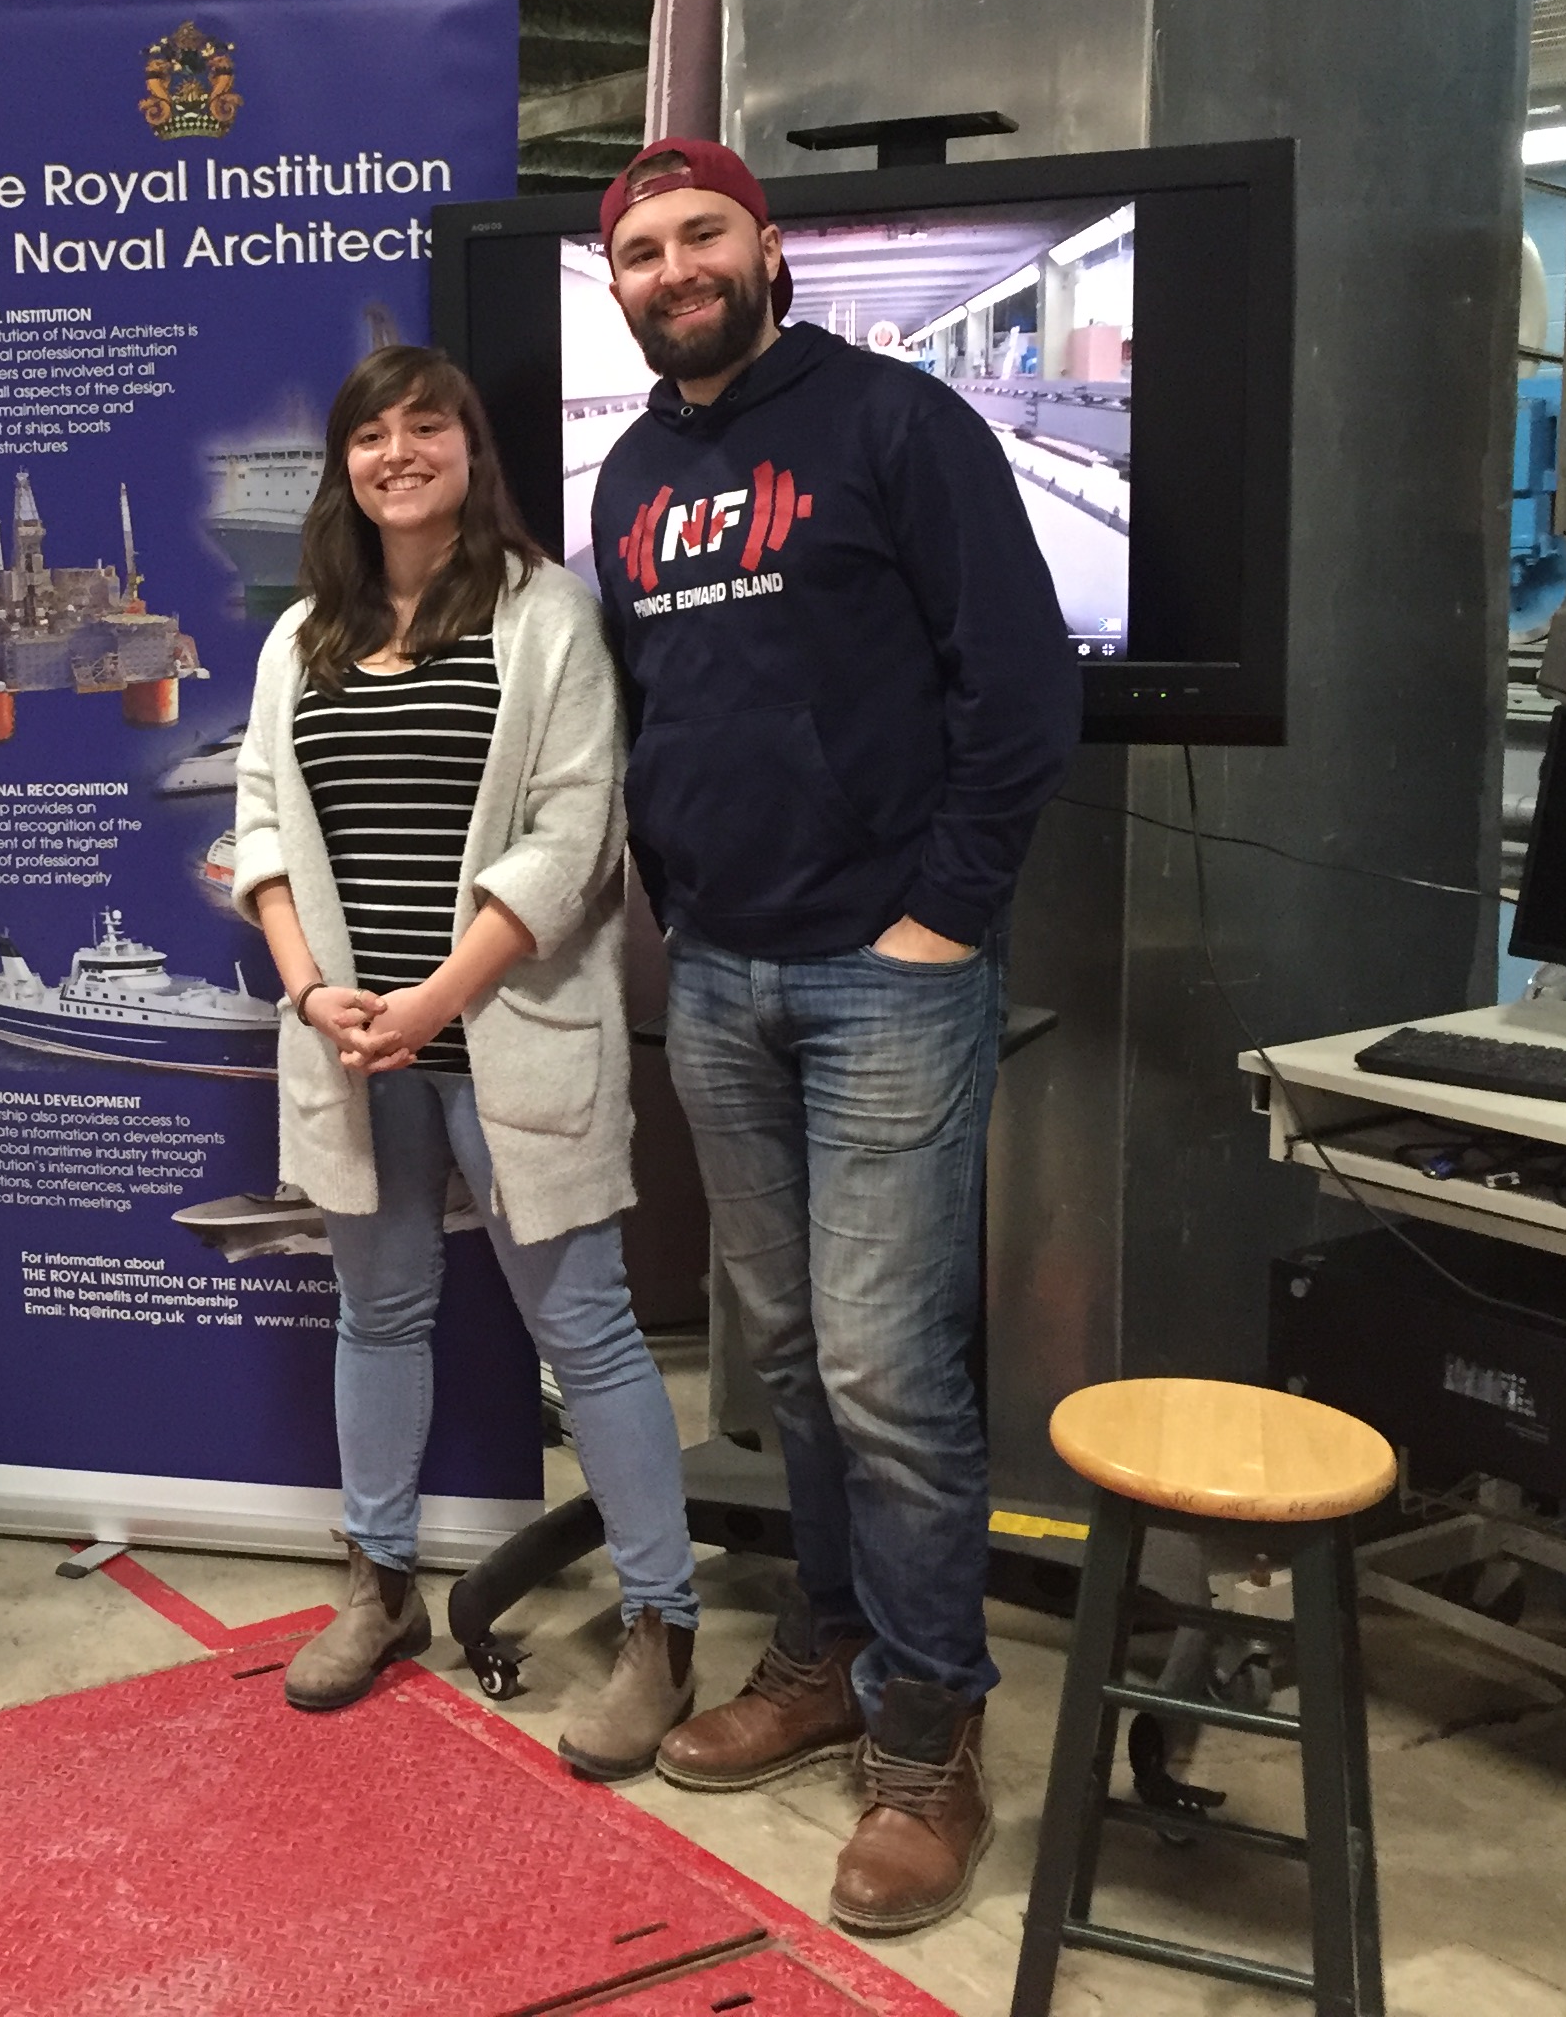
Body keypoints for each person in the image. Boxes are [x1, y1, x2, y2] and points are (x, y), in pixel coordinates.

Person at [589, 140, 1080, 1933]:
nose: (673, 268)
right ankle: (824, 1651)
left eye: (701, 234)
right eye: (640, 251)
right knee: (785, 1358)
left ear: (767, 248)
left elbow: (1021, 686)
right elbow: (650, 708)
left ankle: (929, 1733)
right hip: (721, 974)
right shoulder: (633, 474)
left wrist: (939, 912)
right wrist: (677, 902)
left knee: (884, 1370)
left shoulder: (895, 424)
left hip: (888, 971)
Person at [233, 343, 703, 1779]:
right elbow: (260, 823)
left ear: (468, 448)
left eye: (424, 427)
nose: (398, 454)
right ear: (345, 465)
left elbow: (575, 837)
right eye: (370, 434)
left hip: (506, 1036)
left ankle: (662, 1625)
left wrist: (432, 1001)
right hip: (353, 1050)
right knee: (378, 1315)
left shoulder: (545, 615)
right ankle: (380, 1586)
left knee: (588, 1330)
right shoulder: (302, 633)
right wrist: (313, 992)